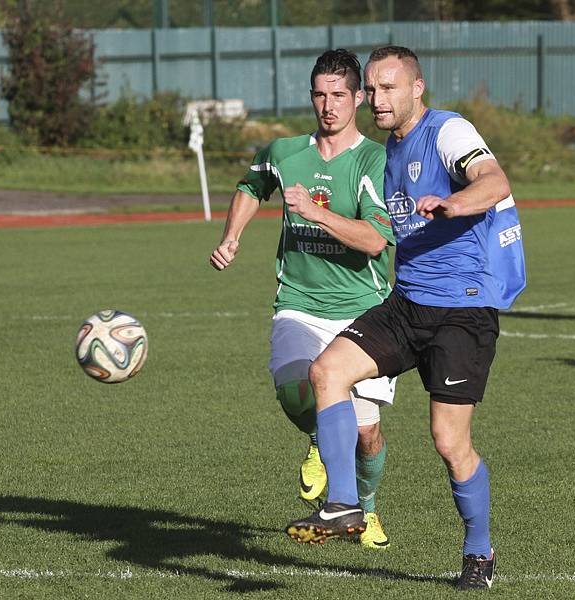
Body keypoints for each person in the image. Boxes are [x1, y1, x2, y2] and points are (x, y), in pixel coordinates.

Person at [285, 46, 526, 591]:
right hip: (407, 304)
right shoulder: (389, 151)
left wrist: (455, 203)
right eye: (371, 89)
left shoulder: (448, 132)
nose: (377, 99)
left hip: (462, 310)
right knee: (327, 373)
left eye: (388, 87)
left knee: (448, 441)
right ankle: (345, 503)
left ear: (418, 87)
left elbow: (495, 180)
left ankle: (479, 550)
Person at [209, 49, 396, 549]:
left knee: (367, 435)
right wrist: (233, 236)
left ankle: (367, 506)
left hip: (365, 310)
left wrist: (315, 213)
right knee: (294, 385)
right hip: (298, 300)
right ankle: (327, 456)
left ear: (358, 98)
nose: (328, 105)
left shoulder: (375, 160)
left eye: (339, 95)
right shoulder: (284, 152)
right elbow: (252, 185)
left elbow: (376, 240)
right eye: (320, 94)